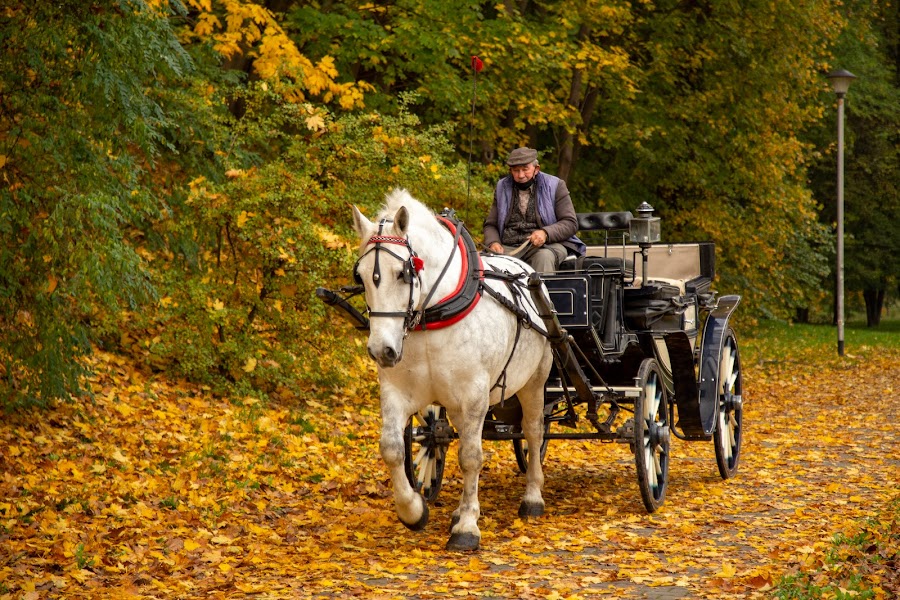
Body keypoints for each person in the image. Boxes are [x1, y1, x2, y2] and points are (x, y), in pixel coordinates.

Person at [483, 147, 585, 273]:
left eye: (525, 169)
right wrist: (493, 242)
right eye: (516, 170)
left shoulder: (556, 185)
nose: (520, 175)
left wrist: (545, 233)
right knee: (484, 263)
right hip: (508, 247)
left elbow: (570, 223)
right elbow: (490, 225)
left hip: (548, 245)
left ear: (536, 169)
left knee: (544, 257)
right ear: (510, 171)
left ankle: (542, 293)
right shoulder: (501, 187)